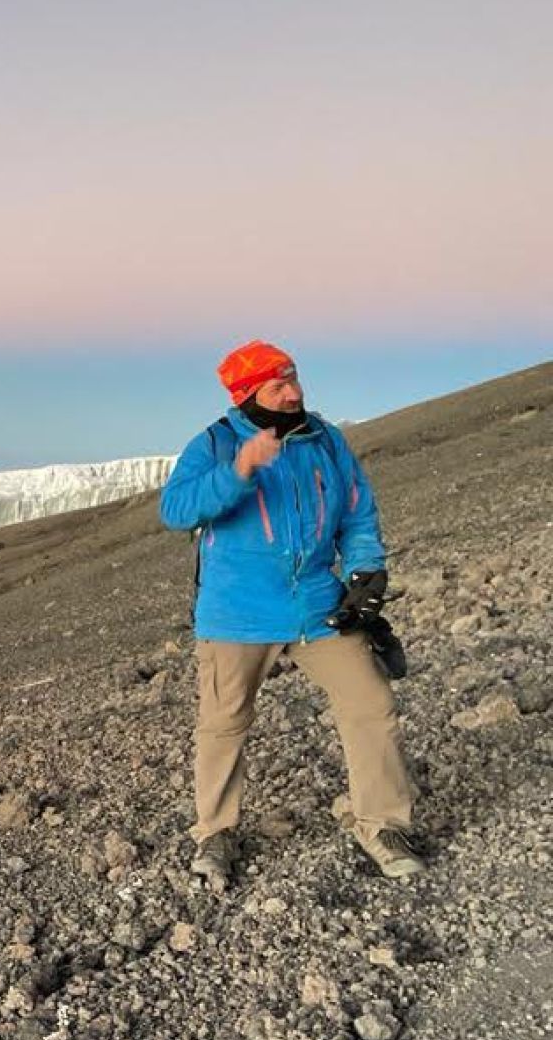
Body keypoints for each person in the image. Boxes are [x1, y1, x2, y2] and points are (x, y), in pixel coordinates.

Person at [159, 340, 424, 886]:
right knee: (223, 723)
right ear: (248, 393)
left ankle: (382, 825)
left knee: (371, 703)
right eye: (278, 385)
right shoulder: (212, 444)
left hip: (316, 606)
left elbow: (357, 510)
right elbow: (176, 511)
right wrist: (238, 470)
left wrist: (366, 569)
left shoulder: (324, 440)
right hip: (236, 614)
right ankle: (215, 832)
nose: (294, 392)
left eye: (295, 378)